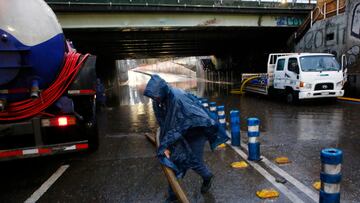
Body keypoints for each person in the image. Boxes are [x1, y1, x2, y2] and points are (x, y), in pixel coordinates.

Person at [143, 74, 228, 202]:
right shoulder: (158, 100)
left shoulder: (177, 99)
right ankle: (173, 197)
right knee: (175, 161)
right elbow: (164, 122)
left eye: (156, 96)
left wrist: (165, 145)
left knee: (194, 161)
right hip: (182, 129)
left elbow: (176, 126)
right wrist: (165, 144)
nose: (155, 99)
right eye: (153, 97)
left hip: (196, 129)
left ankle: (207, 176)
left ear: (161, 90)